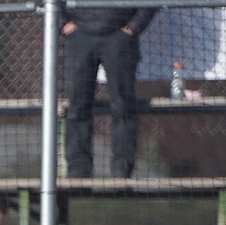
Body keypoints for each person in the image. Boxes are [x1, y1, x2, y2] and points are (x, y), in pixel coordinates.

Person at [59, 3, 158, 178]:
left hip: (120, 37)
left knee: (123, 105)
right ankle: (78, 170)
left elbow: (150, 5)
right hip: (79, 37)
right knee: (78, 106)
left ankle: (122, 169)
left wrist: (133, 28)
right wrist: (63, 24)